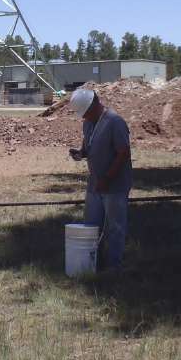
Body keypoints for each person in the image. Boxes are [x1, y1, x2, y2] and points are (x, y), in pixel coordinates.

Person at [68, 88, 132, 270]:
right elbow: (87, 147)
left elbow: (123, 153)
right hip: (95, 184)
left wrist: (107, 178)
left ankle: (113, 267)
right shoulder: (88, 123)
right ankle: (91, 264)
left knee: (115, 227)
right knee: (91, 226)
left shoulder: (115, 122)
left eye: (86, 113)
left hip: (115, 186)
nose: (84, 117)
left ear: (95, 104)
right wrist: (80, 154)